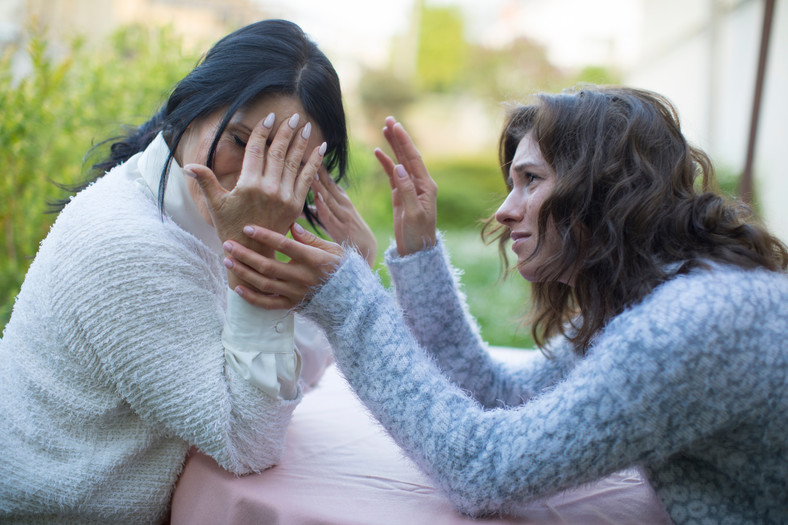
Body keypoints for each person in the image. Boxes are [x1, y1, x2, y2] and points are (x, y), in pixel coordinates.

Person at [218, 86, 788, 524]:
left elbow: (484, 468)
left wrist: (351, 306)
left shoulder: (688, 325)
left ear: (604, 190)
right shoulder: (661, 295)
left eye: (531, 180)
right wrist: (418, 257)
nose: (505, 211)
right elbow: (505, 398)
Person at [0, 19, 376, 523]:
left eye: (288, 163)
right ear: (194, 104)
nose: (256, 181)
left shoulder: (192, 213)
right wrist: (256, 264)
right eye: (242, 140)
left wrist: (346, 277)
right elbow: (247, 442)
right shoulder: (131, 246)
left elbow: (289, 382)